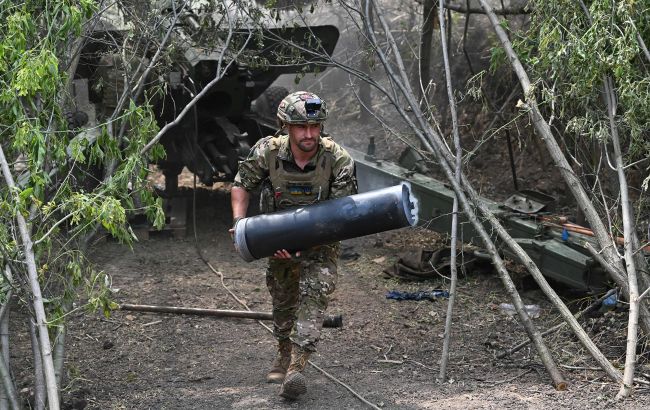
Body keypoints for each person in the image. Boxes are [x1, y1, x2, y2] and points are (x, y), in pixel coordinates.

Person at [230, 91, 357, 399]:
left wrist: (307, 241)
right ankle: (283, 351)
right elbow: (241, 185)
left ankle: (297, 367)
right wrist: (240, 225)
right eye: (302, 127)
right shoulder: (268, 152)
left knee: (314, 298)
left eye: (315, 127)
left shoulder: (337, 159)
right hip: (278, 239)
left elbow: (340, 215)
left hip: (321, 242)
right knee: (283, 300)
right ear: (285, 125)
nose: (310, 134)